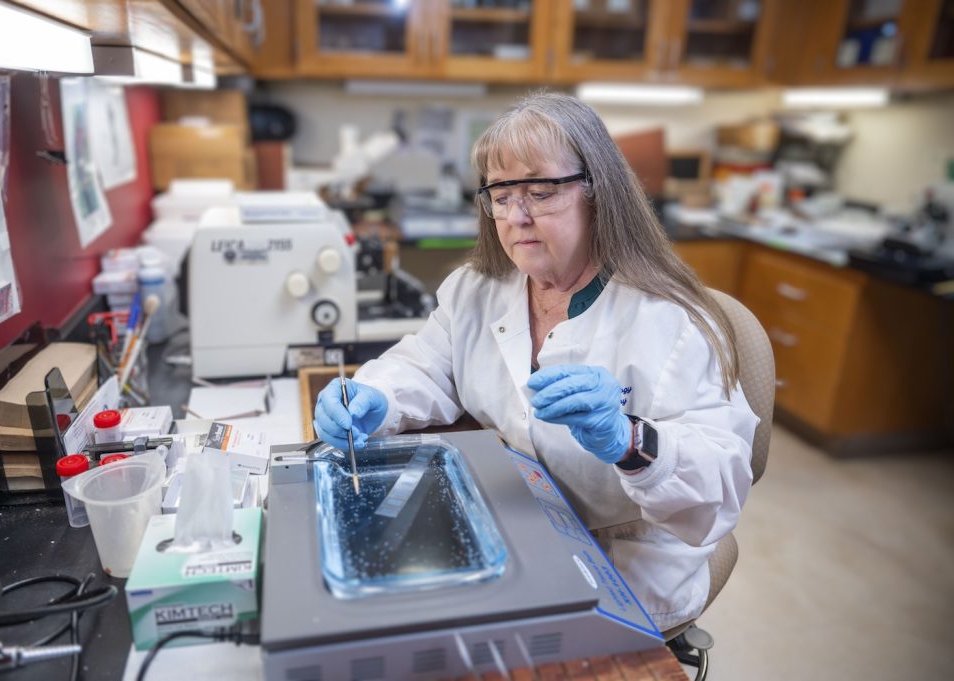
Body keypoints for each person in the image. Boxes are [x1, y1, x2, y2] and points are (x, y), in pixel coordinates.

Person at [314, 92, 758, 632]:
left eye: (542, 191)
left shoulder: (674, 324)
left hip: (623, 564)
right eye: (501, 194)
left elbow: (721, 489)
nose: (517, 216)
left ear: (599, 192)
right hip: (509, 519)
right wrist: (375, 395)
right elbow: (429, 363)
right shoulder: (478, 289)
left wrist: (631, 440)